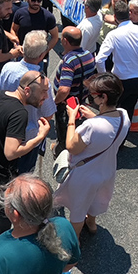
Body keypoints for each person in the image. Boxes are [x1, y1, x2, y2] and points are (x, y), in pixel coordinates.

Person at [0, 71, 51, 242]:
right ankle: (2, 242)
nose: (46, 96)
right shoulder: (20, 113)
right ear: (28, 90)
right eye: (43, 91)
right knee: (4, 211)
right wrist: (40, 137)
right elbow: (11, 153)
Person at [54, 73, 130, 237]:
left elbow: (71, 147)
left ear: (103, 98)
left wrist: (71, 119)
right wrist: (95, 116)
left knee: (78, 209)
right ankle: (92, 223)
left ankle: (74, 242)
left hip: (85, 175)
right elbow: (108, 131)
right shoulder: (124, 115)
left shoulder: (91, 126)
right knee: (95, 199)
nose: (90, 97)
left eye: (92, 94)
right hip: (107, 170)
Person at [0, 32, 58, 174]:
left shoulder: (8, 68)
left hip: (4, 129)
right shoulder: (42, 83)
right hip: (28, 137)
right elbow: (48, 115)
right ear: (42, 55)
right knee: (23, 176)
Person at [95, 0, 138, 113]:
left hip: (120, 80)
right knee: (128, 111)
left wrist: (104, 76)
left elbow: (99, 59)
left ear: (115, 17)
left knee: (114, 111)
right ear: (128, 15)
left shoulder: (113, 35)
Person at [52, 27, 96, 156]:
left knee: (64, 130)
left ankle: (62, 152)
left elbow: (64, 89)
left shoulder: (69, 61)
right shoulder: (88, 55)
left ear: (65, 41)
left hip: (68, 104)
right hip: (81, 100)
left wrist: (56, 101)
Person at [11, 0, 59, 72]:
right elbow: (13, 30)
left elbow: (55, 37)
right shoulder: (20, 13)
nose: (36, 3)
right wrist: (17, 44)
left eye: (39, 1)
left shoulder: (48, 17)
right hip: (22, 55)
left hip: (40, 59)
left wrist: (45, 52)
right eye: (33, 0)